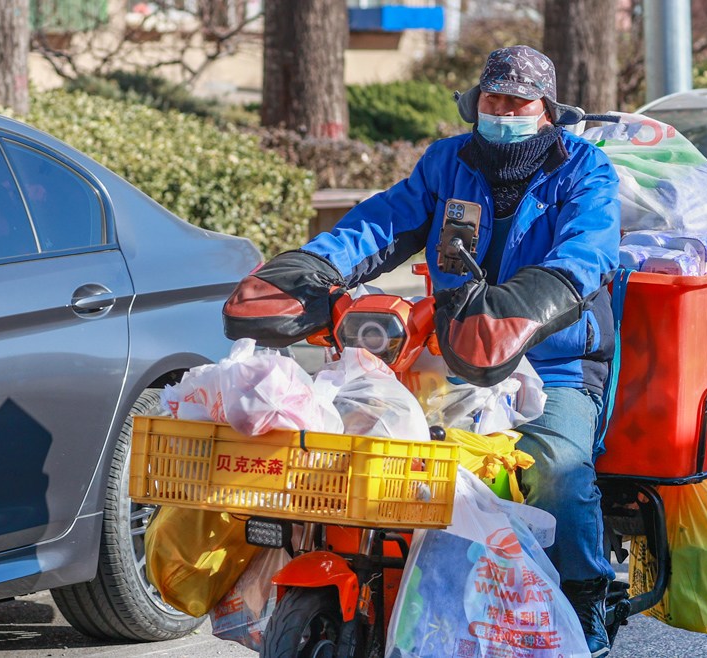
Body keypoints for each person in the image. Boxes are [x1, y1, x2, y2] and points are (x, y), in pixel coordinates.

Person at [223, 45, 621, 656]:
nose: (503, 111)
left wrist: (525, 308)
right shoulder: (447, 162)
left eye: (518, 102)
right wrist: (313, 266)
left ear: (546, 111)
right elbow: (384, 223)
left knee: (557, 475)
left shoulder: (585, 169)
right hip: (451, 352)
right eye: (494, 99)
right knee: (358, 448)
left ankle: (585, 603)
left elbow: (587, 251)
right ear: (475, 104)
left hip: (555, 358)